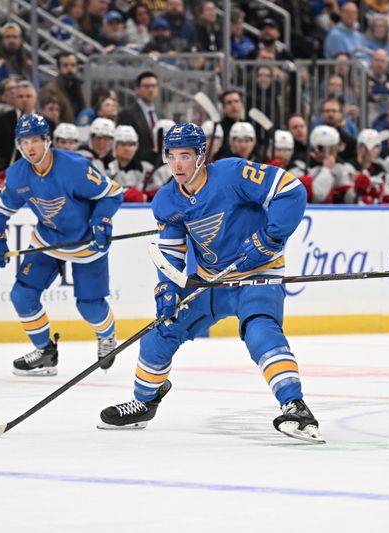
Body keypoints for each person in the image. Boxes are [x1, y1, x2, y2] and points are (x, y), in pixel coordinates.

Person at [97, 122, 323, 443]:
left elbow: (291, 190)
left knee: (261, 331)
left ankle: (294, 406)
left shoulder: (233, 174)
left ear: (201, 155)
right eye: (171, 156)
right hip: (209, 282)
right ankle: (145, 402)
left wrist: (270, 238)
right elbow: (172, 254)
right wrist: (167, 288)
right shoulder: (166, 201)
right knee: (160, 332)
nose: (176, 164)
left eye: (185, 156)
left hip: (256, 274)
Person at [0, 114, 124, 376]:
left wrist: (102, 219)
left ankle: (106, 336)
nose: (30, 147)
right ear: (18, 144)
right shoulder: (17, 175)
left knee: (89, 305)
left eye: (35, 140)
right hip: (47, 240)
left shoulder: (75, 167)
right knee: (22, 296)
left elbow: (113, 193)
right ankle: (46, 353)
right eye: (24, 142)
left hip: (85, 243)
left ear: (47, 140)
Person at [106, 125, 153, 203]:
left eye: (131, 144)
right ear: (114, 146)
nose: (127, 148)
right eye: (123, 144)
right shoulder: (106, 167)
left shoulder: (146, 168)